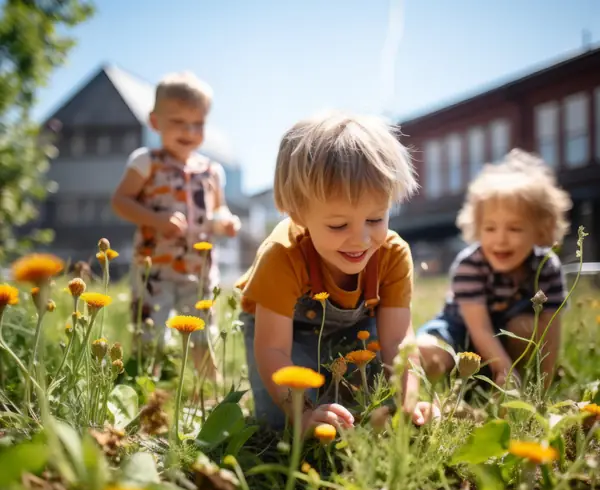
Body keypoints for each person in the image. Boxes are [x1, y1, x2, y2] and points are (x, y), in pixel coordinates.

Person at [235, 109, 439, 433]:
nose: (360, 238)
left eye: (375, 219)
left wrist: (409, 403)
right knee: (279, 426)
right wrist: (300, 413)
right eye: (338, 224)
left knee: (373, 409)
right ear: (298, 213)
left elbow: (398, 340)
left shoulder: (392, 254)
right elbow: (272, 348)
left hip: (355, 328)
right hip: (285, 336)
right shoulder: (282, 256)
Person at [112, 70, 240, 379]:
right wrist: (156, 220)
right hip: (153, 270)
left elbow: (219, 208)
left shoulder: (211, 171)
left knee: (202, 334)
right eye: (178, 122)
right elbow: (121, 201)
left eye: (197, 123)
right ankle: (144, 392)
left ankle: (209, 395)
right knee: (149, 334)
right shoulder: (146, 162)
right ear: (155, 122)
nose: (189, 130)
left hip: (199, 271)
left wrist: (226, 222)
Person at [417, 148, 572, 389]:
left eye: (514, 229)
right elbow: (479, 328)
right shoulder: (470, 264)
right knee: (424, 351)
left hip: (510, 339)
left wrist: (545, 382)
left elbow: (551, 330)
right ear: (478, 227)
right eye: (490, 228)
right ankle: (456, 387)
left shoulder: (546, 266)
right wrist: (503, 369)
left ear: (541, 229)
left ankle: (515, 385)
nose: (500, 240)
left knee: (525, 326)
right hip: (462, 333)